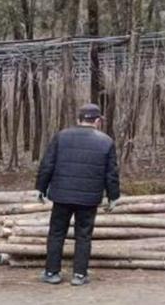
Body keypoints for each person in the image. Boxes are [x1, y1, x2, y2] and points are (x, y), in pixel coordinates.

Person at [35, 103, 120, 286]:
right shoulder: (106, 141)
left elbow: (47, 164)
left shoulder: (61, 137)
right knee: (83, 235)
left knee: (56, 233)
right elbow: (111, 173)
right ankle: (79, 275)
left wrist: (41, 188)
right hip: (89, 198)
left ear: (78, 119)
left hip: (61, 195)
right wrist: (113, 196)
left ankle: (51, 272)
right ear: (97, 121)